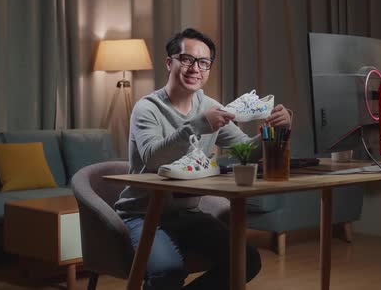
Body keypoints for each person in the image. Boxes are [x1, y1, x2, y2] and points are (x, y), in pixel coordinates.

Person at [115, 28, 292, 290]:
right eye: (186, 59)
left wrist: (276, 130)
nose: (194, 68)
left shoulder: (209, 105)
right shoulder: (147, 108)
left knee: (247, 261)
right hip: (143, 213)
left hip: (188, 215)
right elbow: (153, 159)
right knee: (167, 271)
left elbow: (245, 150)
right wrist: (198, 125)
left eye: (203, 62)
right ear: (169, 62)